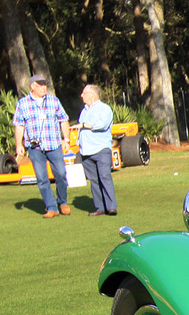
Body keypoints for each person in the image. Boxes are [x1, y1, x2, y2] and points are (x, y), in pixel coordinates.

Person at [13, 73, 72, 217]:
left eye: (45, 85)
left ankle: (62, 201)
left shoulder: (53, 100)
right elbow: (19, 125)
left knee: (60, 174)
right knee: (41, 178)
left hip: (53, 144)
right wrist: (19, 144)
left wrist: (67, 139)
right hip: (35, 147)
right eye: (40, 85)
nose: (44, 88)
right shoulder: (23, 103)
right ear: (33, 86)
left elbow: (63, 120)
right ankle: (51, 207)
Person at [76, 84, 117, 216]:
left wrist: (84, 125)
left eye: (84, 93)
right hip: (86, 151)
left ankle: (111, 207)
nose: (81, 95)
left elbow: (102, 124)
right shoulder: (84, 111)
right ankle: (100, 208)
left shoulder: (104, 109)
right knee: (94, 180)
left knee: (105, 176)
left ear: (93, 95)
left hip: (101, 149)